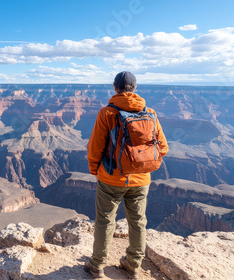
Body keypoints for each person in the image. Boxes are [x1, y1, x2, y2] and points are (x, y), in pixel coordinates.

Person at [84, 71, 168, 279]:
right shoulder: (150, 112)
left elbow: (95, 147)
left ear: (115, 87)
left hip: (111, 178)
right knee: (138, 221)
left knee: (104, 220)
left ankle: (96, 266)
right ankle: (132, 265)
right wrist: (141, 163)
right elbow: (163, 147)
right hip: (141, 179)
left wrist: (95, 170)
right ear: (135, 87)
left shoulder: (107, 113)